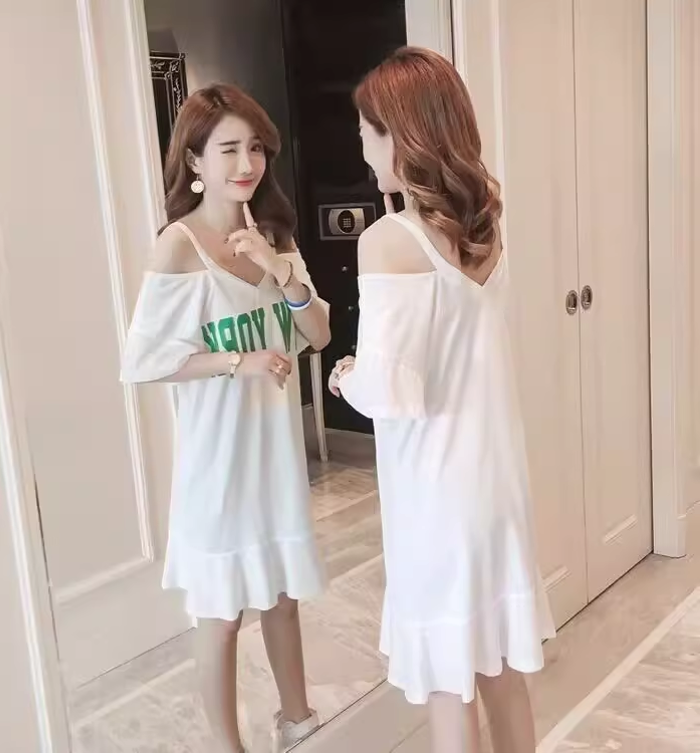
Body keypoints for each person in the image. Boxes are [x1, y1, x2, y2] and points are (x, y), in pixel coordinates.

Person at [328, 47, 555, 753]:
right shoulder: (485, 227)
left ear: (399, 135)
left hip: (437, 499)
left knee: (448, 686)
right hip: (495, 483)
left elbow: (389, 389)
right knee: (498, 669)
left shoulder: (388, 241)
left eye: (366, 134)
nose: (363, 151)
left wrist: (344, 375)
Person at [121, 83, 330, 753]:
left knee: (282, 598)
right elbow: (145, 361)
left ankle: (298, 721)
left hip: (274, 456)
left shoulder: (274, 235)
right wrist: (236, 360)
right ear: (194, 160)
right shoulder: (178, 246)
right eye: (229, 149)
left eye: (256, 148)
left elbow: (319, 334)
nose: (246, 164)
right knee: (220, 615)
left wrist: (281, 272)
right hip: (218, 464)